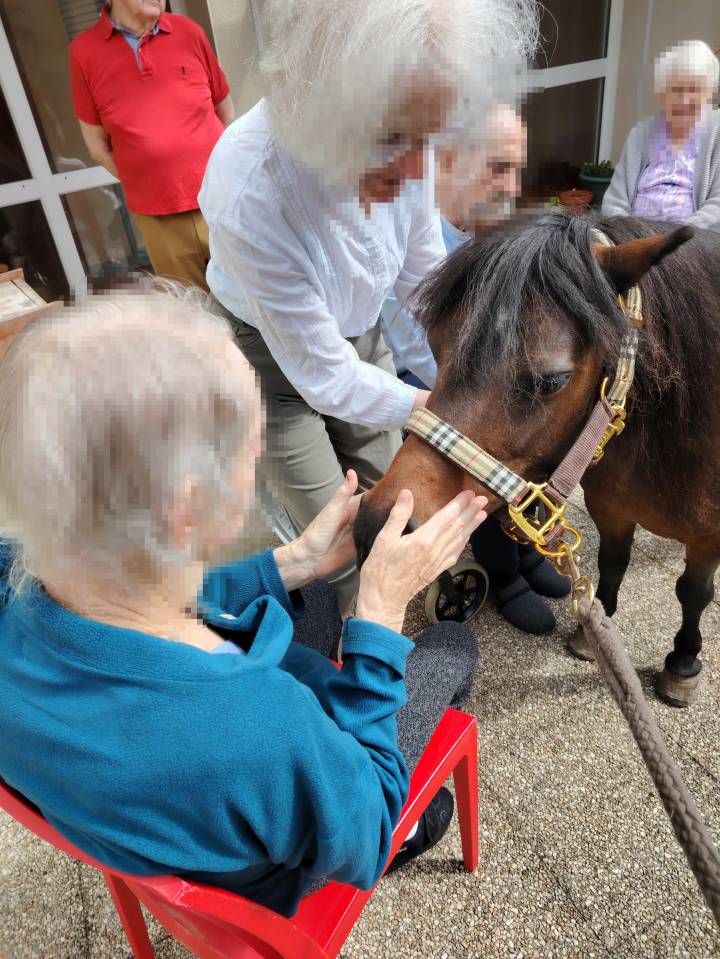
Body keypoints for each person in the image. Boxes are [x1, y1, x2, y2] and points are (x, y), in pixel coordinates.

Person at [0, 286, 487, 918]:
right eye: (250, 446)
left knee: (306, 597)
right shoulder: (262, 730)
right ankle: (419, 829)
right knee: (451, 649)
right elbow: (361, 835)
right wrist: (382, 614)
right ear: (188, 508)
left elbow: (127, 594)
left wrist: (292, 562)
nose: (259, 455)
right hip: (277, 868)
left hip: (157, 813)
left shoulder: (23, 581)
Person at [199, 0, 537, 613]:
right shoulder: (248, 189)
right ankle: (369, 645)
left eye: (428, 137)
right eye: (390, 142)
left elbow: (423, 283)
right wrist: (439, 408)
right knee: (334, 531)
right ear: (322, 113)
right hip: (271, 368)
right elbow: (323, 376)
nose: (417, 171)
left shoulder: (409, 130)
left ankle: (413, 605)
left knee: (394, 494)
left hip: (359, 337)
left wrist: (479, 370)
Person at [381, 105, 570, 634]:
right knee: (480, 477)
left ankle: (526, 554)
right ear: (451, 161)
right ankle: (503, 571)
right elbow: (416, 345)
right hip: (434, 385)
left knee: (527, 459)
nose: (509, 186)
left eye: (515, 169)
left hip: (489, 377)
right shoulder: (420, 241)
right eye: (496, 167)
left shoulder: (495, 231)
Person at [69, 0, 235, 288]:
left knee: (250, 296)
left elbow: (227, 113)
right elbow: (97, 147)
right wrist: (147, 182)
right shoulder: (84, 53)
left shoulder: (189, 33)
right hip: (158, 218)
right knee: (191, 311)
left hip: (220, 200)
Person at [602, 40, 720, 231]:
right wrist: (632, 238)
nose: (684, 100)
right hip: (636, 242)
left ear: (708, 93)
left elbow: (717, 206)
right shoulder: (640, 135)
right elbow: (613, 203)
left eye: (693, 90)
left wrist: (674, 239)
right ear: (663, 95)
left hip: (692, 245)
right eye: (676, 90)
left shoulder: (717, 133)